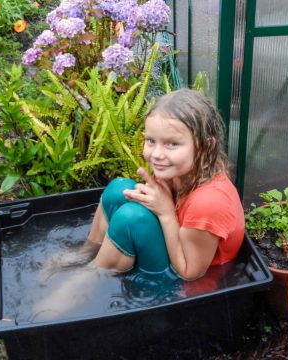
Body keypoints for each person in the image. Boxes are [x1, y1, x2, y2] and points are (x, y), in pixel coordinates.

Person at [86, 88, 245, 281]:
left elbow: (189, 274)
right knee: (118, 190)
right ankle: (86, 254)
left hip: (186, 283)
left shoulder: (209, 202)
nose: (157, 154)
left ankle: (89, 281)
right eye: (151, 141)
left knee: (131, 218)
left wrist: (166, 212)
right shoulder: (182, 169)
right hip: (175, 248)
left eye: (172, 144)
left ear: (206, 146)